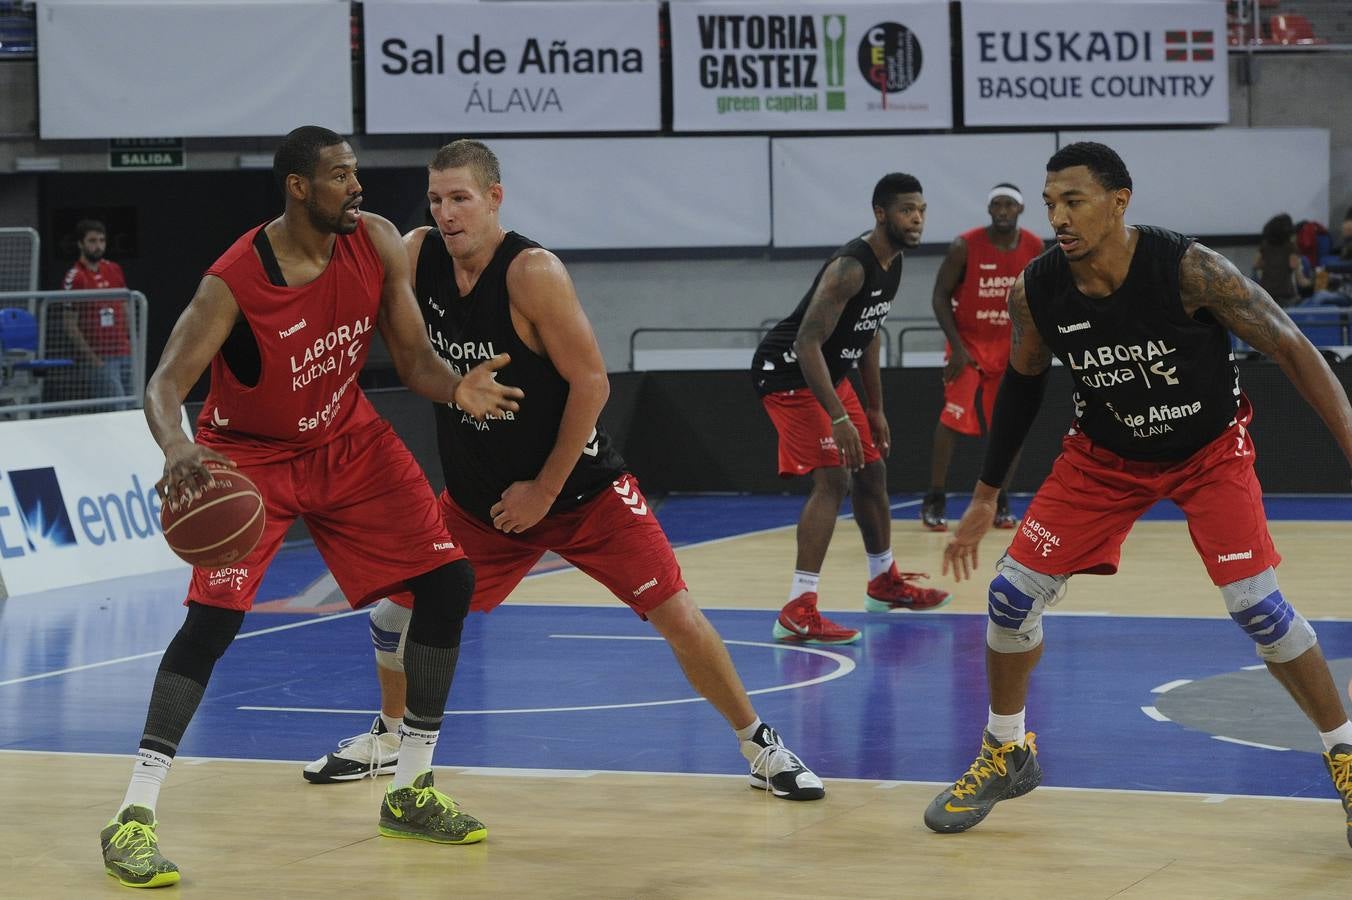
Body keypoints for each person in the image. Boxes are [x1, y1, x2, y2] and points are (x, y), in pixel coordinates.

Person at [302, 140, 825, 805]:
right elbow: (345, 298)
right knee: (391, 615)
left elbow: (593, 383)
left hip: (580, 493)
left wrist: (543, 489)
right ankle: (388, 734)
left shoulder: (531, 272)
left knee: (681, 619)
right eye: (436, 200)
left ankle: (759, 744)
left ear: (494, 197)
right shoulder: (418, 255)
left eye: (460, 198)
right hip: (479, 507)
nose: (447, 214)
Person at [98, 127, 525, 889]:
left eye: (354, 173)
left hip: (347, 437)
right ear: (299, 187)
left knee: (447, 583)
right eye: (337, 176)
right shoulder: (234, 279)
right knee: (212, 624)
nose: (354, 187)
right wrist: (177, 448)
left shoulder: (378, 241)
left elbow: (414, 355)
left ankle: (411, 790)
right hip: (252, 458)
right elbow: (165, 382)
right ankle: (133, 814)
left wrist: (454, 386)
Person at [923, 141, 1352, 847]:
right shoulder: (1038, 289)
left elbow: (1292, 346)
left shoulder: (1189, 268)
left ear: (1120, 202)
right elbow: (1025, 384)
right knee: (1009, 597)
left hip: (1209, 453)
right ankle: (1007, 749)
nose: (1058, 215)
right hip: (1104, 459)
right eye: (1051, 202)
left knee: (1258, 609)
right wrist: (984, 493)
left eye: (1075, 200)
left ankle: (1343, 751)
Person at [750, 174, 951, 647]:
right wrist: (839, 418)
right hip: (788, 372)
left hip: (830, 372)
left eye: (922, 209)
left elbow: (869, 331)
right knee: (834, 478)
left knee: (872, 472)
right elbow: (806, 342)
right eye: (907, 210)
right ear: (881, 213)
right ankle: (799, 609)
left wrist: (875, 408)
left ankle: (884, 583)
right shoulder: (850, 267)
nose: (918, 218)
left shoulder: (893, 263)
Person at [921, 184, 1044, 532]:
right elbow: (940, 296)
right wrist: (956, 347)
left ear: (1020, 210)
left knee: (1010, 426)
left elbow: (1039, 297)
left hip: (1010, 349)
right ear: (989, 209)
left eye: (1009, 205)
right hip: (968, 348)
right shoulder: (965, 245)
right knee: (952, 418)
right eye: (997, 205)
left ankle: (1000, 500)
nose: (1003, 210)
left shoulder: (1035, 246)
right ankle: (935, 498)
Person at [61, 218, 134, 404]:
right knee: (116, 408)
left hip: (125, 353)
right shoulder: (76, 277)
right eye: (92, 241)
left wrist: (131, 344)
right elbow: (69, 324)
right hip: (100, 358)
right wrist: (93, 359)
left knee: (136, 408)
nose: (98, 246)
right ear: (80, 244)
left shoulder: (114, 269)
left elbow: (125, 308)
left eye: (102, 240)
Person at [1252, 213, 1309, 308]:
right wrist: (1313, 282)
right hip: (1286, 297)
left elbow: (1256, 265)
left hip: (1265, 296)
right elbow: (1300, 281)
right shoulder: (1291, 249)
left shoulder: (1264, 247)